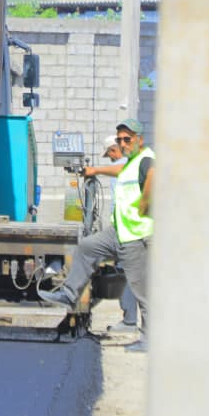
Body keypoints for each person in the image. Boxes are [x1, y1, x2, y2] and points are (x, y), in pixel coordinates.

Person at [39, 118, 154, 352]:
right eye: (120, 139)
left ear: (139, 140)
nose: (123, 143)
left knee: (141, 290)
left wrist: (145, 204)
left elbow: (153, 175)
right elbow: (121, 168)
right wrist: (96, 170)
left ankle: (149, 339)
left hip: (135, 236)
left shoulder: (146, 159)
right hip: (118, 232)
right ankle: (70, 294)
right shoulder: (131, 162)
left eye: (127, 139)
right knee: (87, 247)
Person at [85, 135, 139, 334]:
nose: (109, 158)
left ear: (114, 150)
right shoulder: (126, 164)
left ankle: (130, 321)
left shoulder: (126, 164)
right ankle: (130, 319)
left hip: (128, 229)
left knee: (127, 273)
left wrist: (95, 170)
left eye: (109, 154)